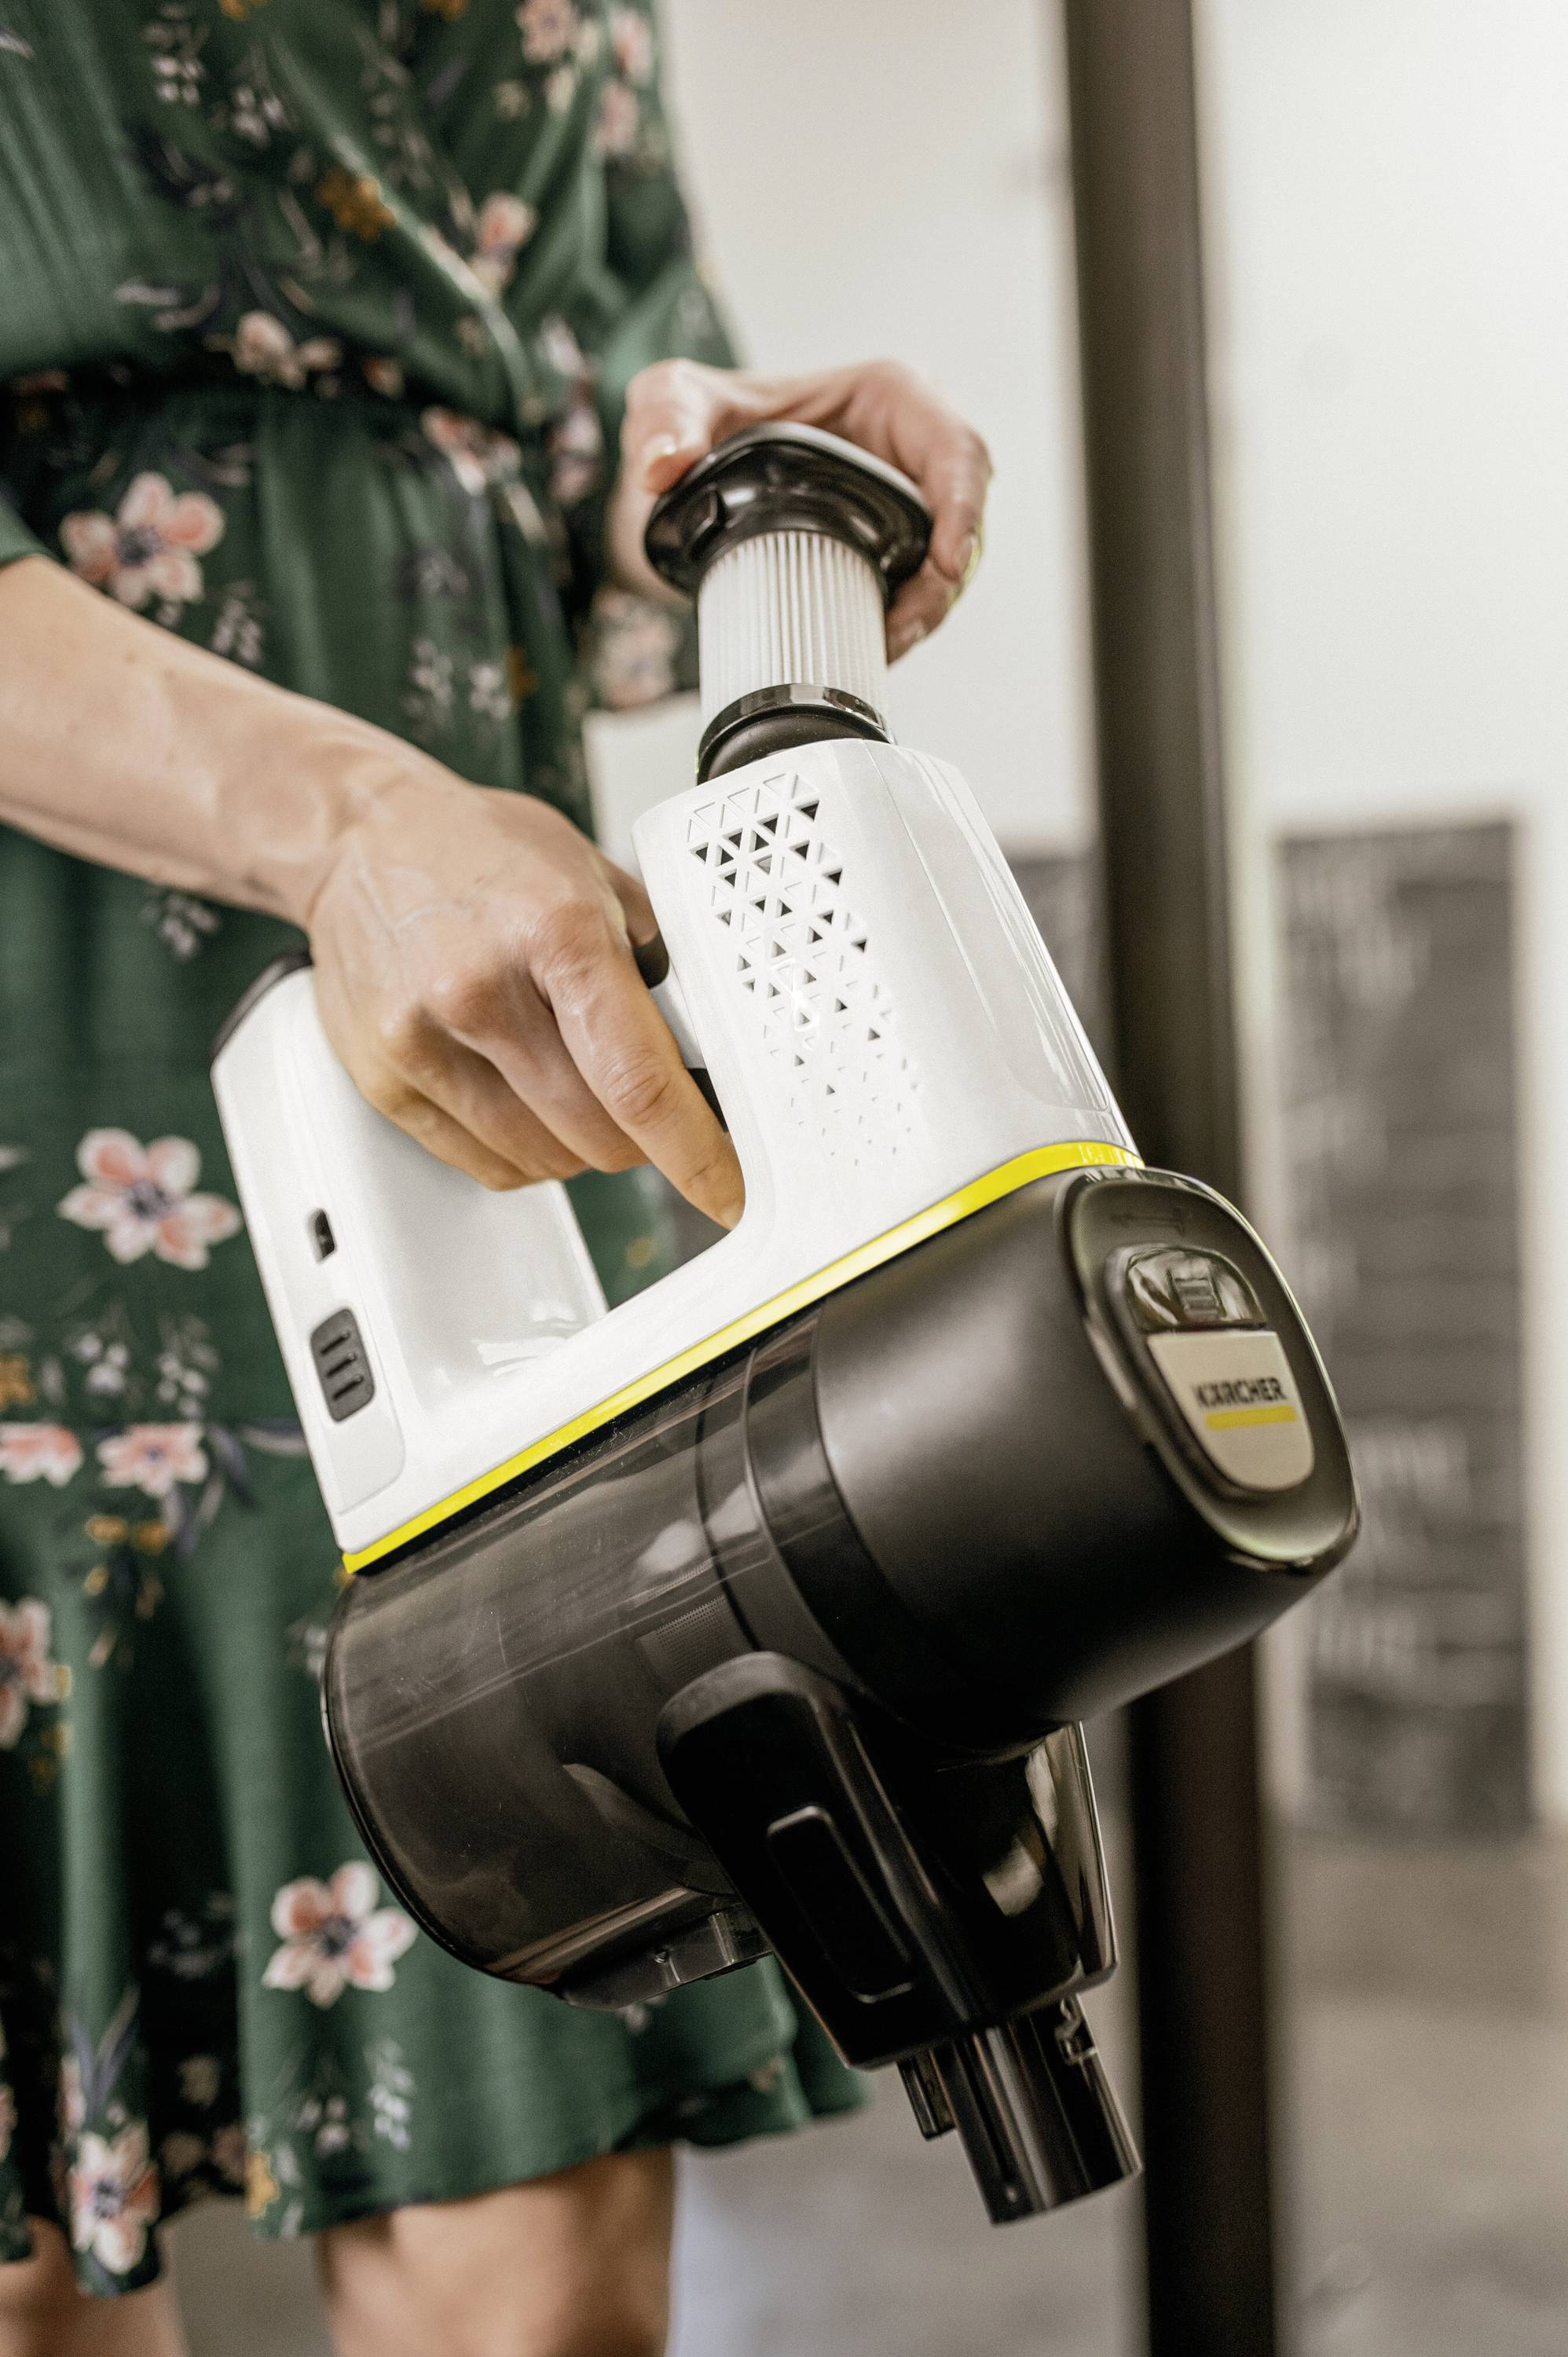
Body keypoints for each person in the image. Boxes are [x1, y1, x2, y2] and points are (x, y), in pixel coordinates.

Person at [0, 4, 990, 2351]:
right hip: (59, 1039)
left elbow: (587, 484)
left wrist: (724, 494)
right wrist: (341, 822)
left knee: (543, 2247)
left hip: (485, 1032)